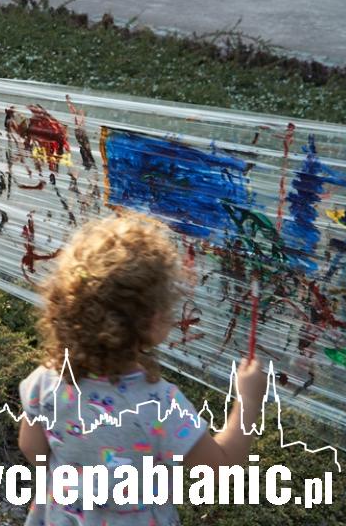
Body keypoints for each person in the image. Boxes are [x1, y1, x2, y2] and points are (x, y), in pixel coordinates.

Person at [18, 214, 268, 525]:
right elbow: (221, 466)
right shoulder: (161, 406)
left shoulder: (47, 381)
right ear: (152, 324)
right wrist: (249, 401)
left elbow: (31, 447)